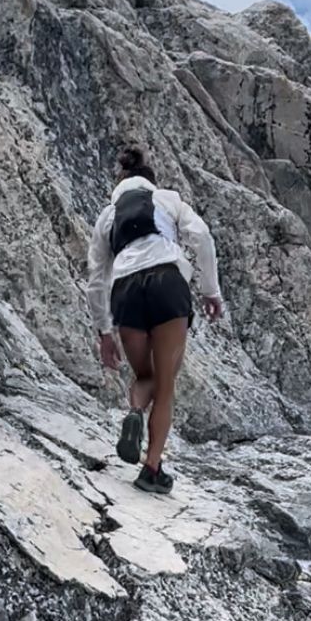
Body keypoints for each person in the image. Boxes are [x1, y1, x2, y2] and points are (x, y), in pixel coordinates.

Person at [87, 142, 223, 492]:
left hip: (125, 291)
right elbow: (203, 237)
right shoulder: (169, 200)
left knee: (144, 375)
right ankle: (152, 468)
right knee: (165, 383)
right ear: (150, 182)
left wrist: (104, 332)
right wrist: (211, 291)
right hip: (167, 284)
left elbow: (96, 280)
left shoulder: (107, 216)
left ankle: (134, 413)